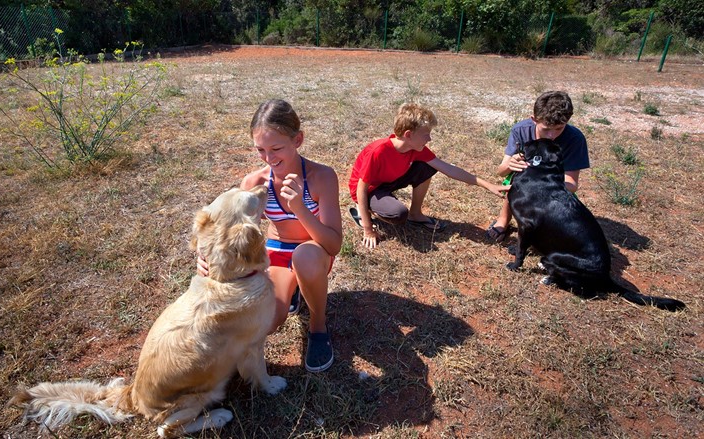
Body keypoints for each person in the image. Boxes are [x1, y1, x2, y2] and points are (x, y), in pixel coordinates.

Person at [197, 99, 342, 373]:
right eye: (260, 150)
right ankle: (295, 288)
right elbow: (225, 227)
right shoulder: (254, 183)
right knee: (269, 322)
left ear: (298, 139)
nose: (269, 158)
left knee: (305, 256)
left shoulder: (321, 177)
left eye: (276, 148)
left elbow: (333, 243)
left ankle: (318, 327)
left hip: (314, 251)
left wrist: (299, 208)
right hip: (277, 252)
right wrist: (203, 256)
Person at [348, 102, 509, 249]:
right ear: (408, 134)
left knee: (425, 167)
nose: (429, 138)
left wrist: (489, 186)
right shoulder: (379, 151)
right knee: (398, 214)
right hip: (369, 190)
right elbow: (361, 189)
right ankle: (364, 211)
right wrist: (368, 230)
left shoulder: (415, 149)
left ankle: (416, 214)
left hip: (388, 181)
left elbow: (450, 170)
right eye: (426, 134)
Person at [485, 91, 590, 242]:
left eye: (559, 128)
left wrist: (542, 184)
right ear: (534, 120)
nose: (551, 136)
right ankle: (503, 219)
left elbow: (572, 185)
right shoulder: (521, 131)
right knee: (516, 179)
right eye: (546, 129)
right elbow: (501, 172)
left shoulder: (575, 139)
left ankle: (544, 226)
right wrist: (510, 164)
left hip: (554, 187)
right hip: (526, 182)